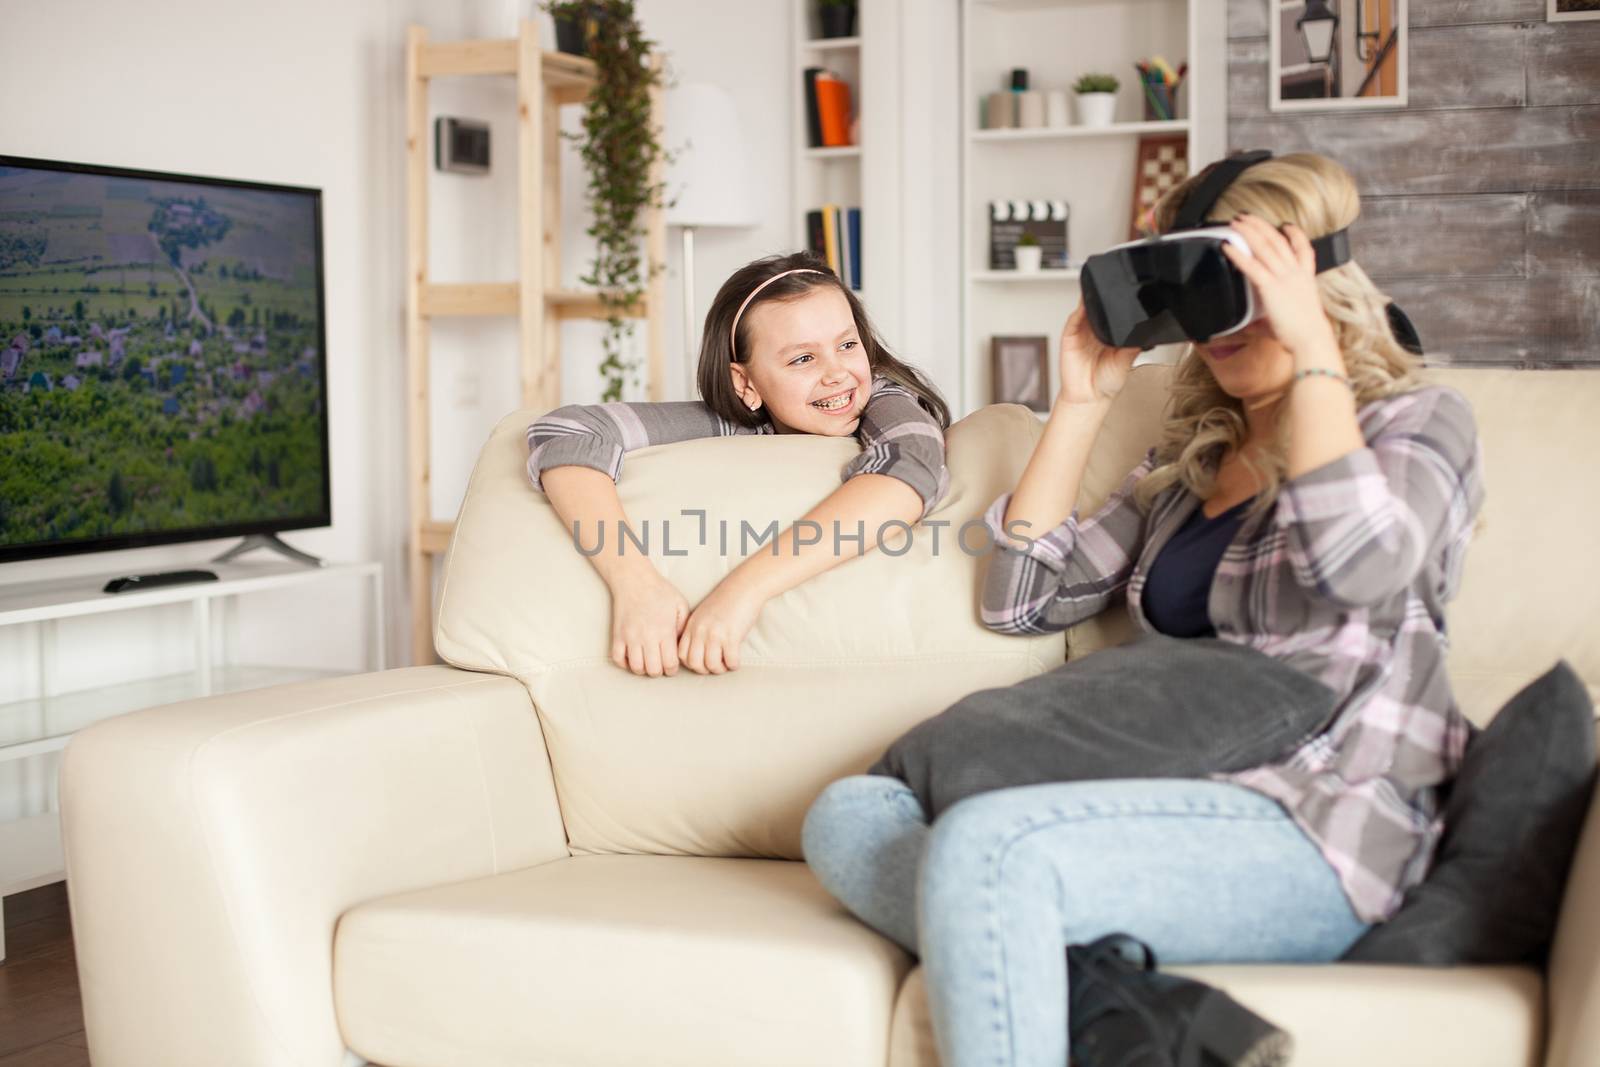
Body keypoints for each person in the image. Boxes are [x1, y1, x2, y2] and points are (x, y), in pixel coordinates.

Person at [801, 153, 1486, 1066]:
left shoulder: (1420, 421)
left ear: (1306, 274)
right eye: (1194, 305)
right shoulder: (1193, 460)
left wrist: (1313, 346)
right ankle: (1140, 1010)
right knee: (851, 812)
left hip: (1322, 826)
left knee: (987, 850)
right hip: (1161, 802)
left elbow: (1360, 565)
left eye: (1231, 292)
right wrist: (1080, 404)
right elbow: (1019, 600)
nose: (1212, 330)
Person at [527, 251, 950, 678]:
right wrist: (636, 587)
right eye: (803, 358)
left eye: (846, 344)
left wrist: (742, 591)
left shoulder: (885, 398)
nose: (837, 372)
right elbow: (568, 430)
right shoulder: (734, 427)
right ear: (744, 383)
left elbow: (911, 464)